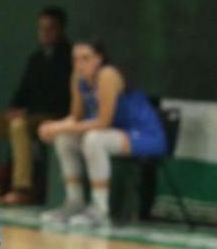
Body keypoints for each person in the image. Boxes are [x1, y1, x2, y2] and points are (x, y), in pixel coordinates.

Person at [38, 39, 167, 228]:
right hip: (114, 134)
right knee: (64, 139)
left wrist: (59, 127)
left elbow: (103, 122)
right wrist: (53, 126)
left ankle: (100, 210)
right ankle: (74, 202)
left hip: (144, 135)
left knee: (94, 140)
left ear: (99, 58)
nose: (80, 64)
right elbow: (76, 117)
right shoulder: (78, 78)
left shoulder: (108, 75)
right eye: (75, 59)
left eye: (86, 58)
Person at [0, 6, 72, 205]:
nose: (45, 33)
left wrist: (25, 114)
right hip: (26, 115)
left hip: (51, 117)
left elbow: (63, 98)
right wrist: (14, 109)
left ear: (61, 29)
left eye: (50, 28)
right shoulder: (36, 59)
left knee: (18, 126)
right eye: (41, 28)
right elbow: (22, 92)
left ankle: (22, 189)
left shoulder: (69, 58)